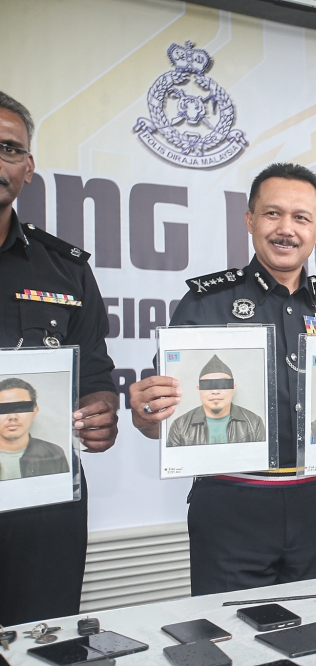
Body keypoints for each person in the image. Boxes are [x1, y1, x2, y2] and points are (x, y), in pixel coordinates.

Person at [128, 162, 316, 595]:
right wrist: (150, 414)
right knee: (229, 637)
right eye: (272, 214)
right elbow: (161, 418)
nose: (286, 229)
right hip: (231, 505)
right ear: (249, 220)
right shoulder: (206, 303)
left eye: (301, 218)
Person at [0, 91, 119, 625]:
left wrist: (99, 413)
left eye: (8, 149)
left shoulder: (66, 270)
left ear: (27, 169)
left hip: (44, 502)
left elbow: (94, 370)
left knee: (45, 639)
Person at [167, 355, 264, 446]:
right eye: (207, 385)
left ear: (233, 388)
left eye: (223, 384)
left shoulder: (254, 423)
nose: (215, 391)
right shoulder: (179, 426)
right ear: (199, 389)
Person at [0, 378, 69, 479]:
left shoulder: (54, 454)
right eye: (3, 409)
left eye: (21, 407)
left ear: (35, 411)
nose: (12, 417)